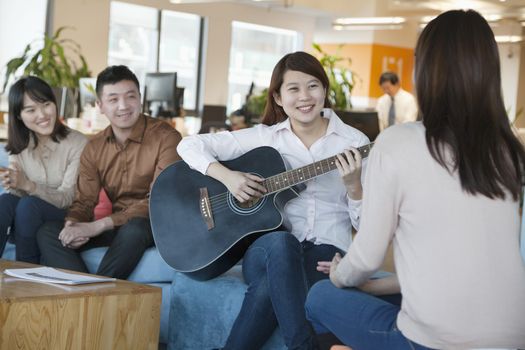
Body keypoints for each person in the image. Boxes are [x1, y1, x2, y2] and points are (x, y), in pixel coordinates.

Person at [305, 9, 525, 350]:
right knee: (372, 292)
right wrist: (373, 288)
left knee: (320, 297)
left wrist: (338, 274)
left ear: (426, 70)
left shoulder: (399, 142)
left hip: (434, 342)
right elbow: (452, 264)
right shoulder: (508, 150)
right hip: (512, 336)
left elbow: (365, 259)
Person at [177, 51, 369, 350]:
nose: (304, 97)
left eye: (312, 86)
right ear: (278, 98)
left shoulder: (355, 143)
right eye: (293, 89)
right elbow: (189, 144)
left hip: (326, 253)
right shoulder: (265, 138)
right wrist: (228, 177)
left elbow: (367, 226)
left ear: (325, 90)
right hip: (269, 250)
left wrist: (355, 187)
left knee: (270, 285)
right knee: (283, 243)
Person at [37, 65, 182, 279]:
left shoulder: (167, 138)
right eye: (113, 99)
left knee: (135, 228)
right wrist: (73, 224)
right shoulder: (94, 147)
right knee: (49, 232)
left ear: (140, 98)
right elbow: (85, 201)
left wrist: (98, 225)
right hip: (117, 227)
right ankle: (85, 290)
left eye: (130, 97)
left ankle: (98, 294)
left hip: (154, 225)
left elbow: (159, 201)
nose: (123, 106)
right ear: (100, 105)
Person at [0, 76, 87, 263]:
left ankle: (25, 272)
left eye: (46, 104)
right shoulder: (19, 145)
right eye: (31, 110)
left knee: (29, 205)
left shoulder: (78, 143)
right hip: (26, 219)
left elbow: (67, 198)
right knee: (5, 201)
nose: (42, 115)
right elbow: (15, 196)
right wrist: (12, 181)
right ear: (18, 115)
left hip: (64, 217)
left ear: (55, 104)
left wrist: (29, 185)